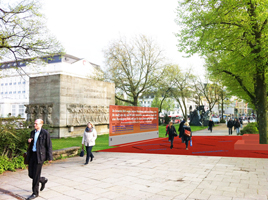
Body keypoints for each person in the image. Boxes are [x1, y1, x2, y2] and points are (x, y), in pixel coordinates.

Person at [27, 119, 52, 200]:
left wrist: (50, 157)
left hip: (40, 156)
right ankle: (42, 180)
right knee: (31, 174)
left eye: (36, 124)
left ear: (41, 124)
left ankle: (35, 193)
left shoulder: (45, 133)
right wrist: (29, 141)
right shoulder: (32, 132)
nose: (35, 125)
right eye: (34, 124)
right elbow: (32, 144)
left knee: (36, 175)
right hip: (32, 155)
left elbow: (49, 145)